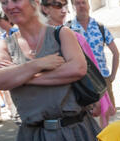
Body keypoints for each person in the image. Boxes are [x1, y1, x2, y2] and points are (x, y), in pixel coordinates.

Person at [0, 0, 100, 141]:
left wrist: (23, 78)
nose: (9, 6)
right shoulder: (5, 44)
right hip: (35, 139)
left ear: (35, 2)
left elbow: (77, 69)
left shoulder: (61, 35)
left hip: (73, 133)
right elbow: (0, 79)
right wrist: (39, 64)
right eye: (4, 2)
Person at [40, 0, 113, 128]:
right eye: (58, 5)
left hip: (79, 106)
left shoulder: (76, 37)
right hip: (47, 111)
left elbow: (91, 71)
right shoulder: (36, 40)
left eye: (65, 5)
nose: (64, 10)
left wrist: (98, 99)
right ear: (45, 8)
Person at [69, 0, 119, 127]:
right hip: (81, 80)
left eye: (84, 2)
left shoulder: (100, 27)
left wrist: (112, 76)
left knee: (106, 115)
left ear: (89, 5)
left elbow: (115, 52)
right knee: (85, 116)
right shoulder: (67, 30)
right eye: (77, 3)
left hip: (102, 79)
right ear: (73, 6)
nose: (81, 6)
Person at [0, 11, 18, 123]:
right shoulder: (3, 36)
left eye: (0, 21)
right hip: (7, 71)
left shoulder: (17, 32)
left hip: (19, 69)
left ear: (8, 20)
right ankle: (14, 113)